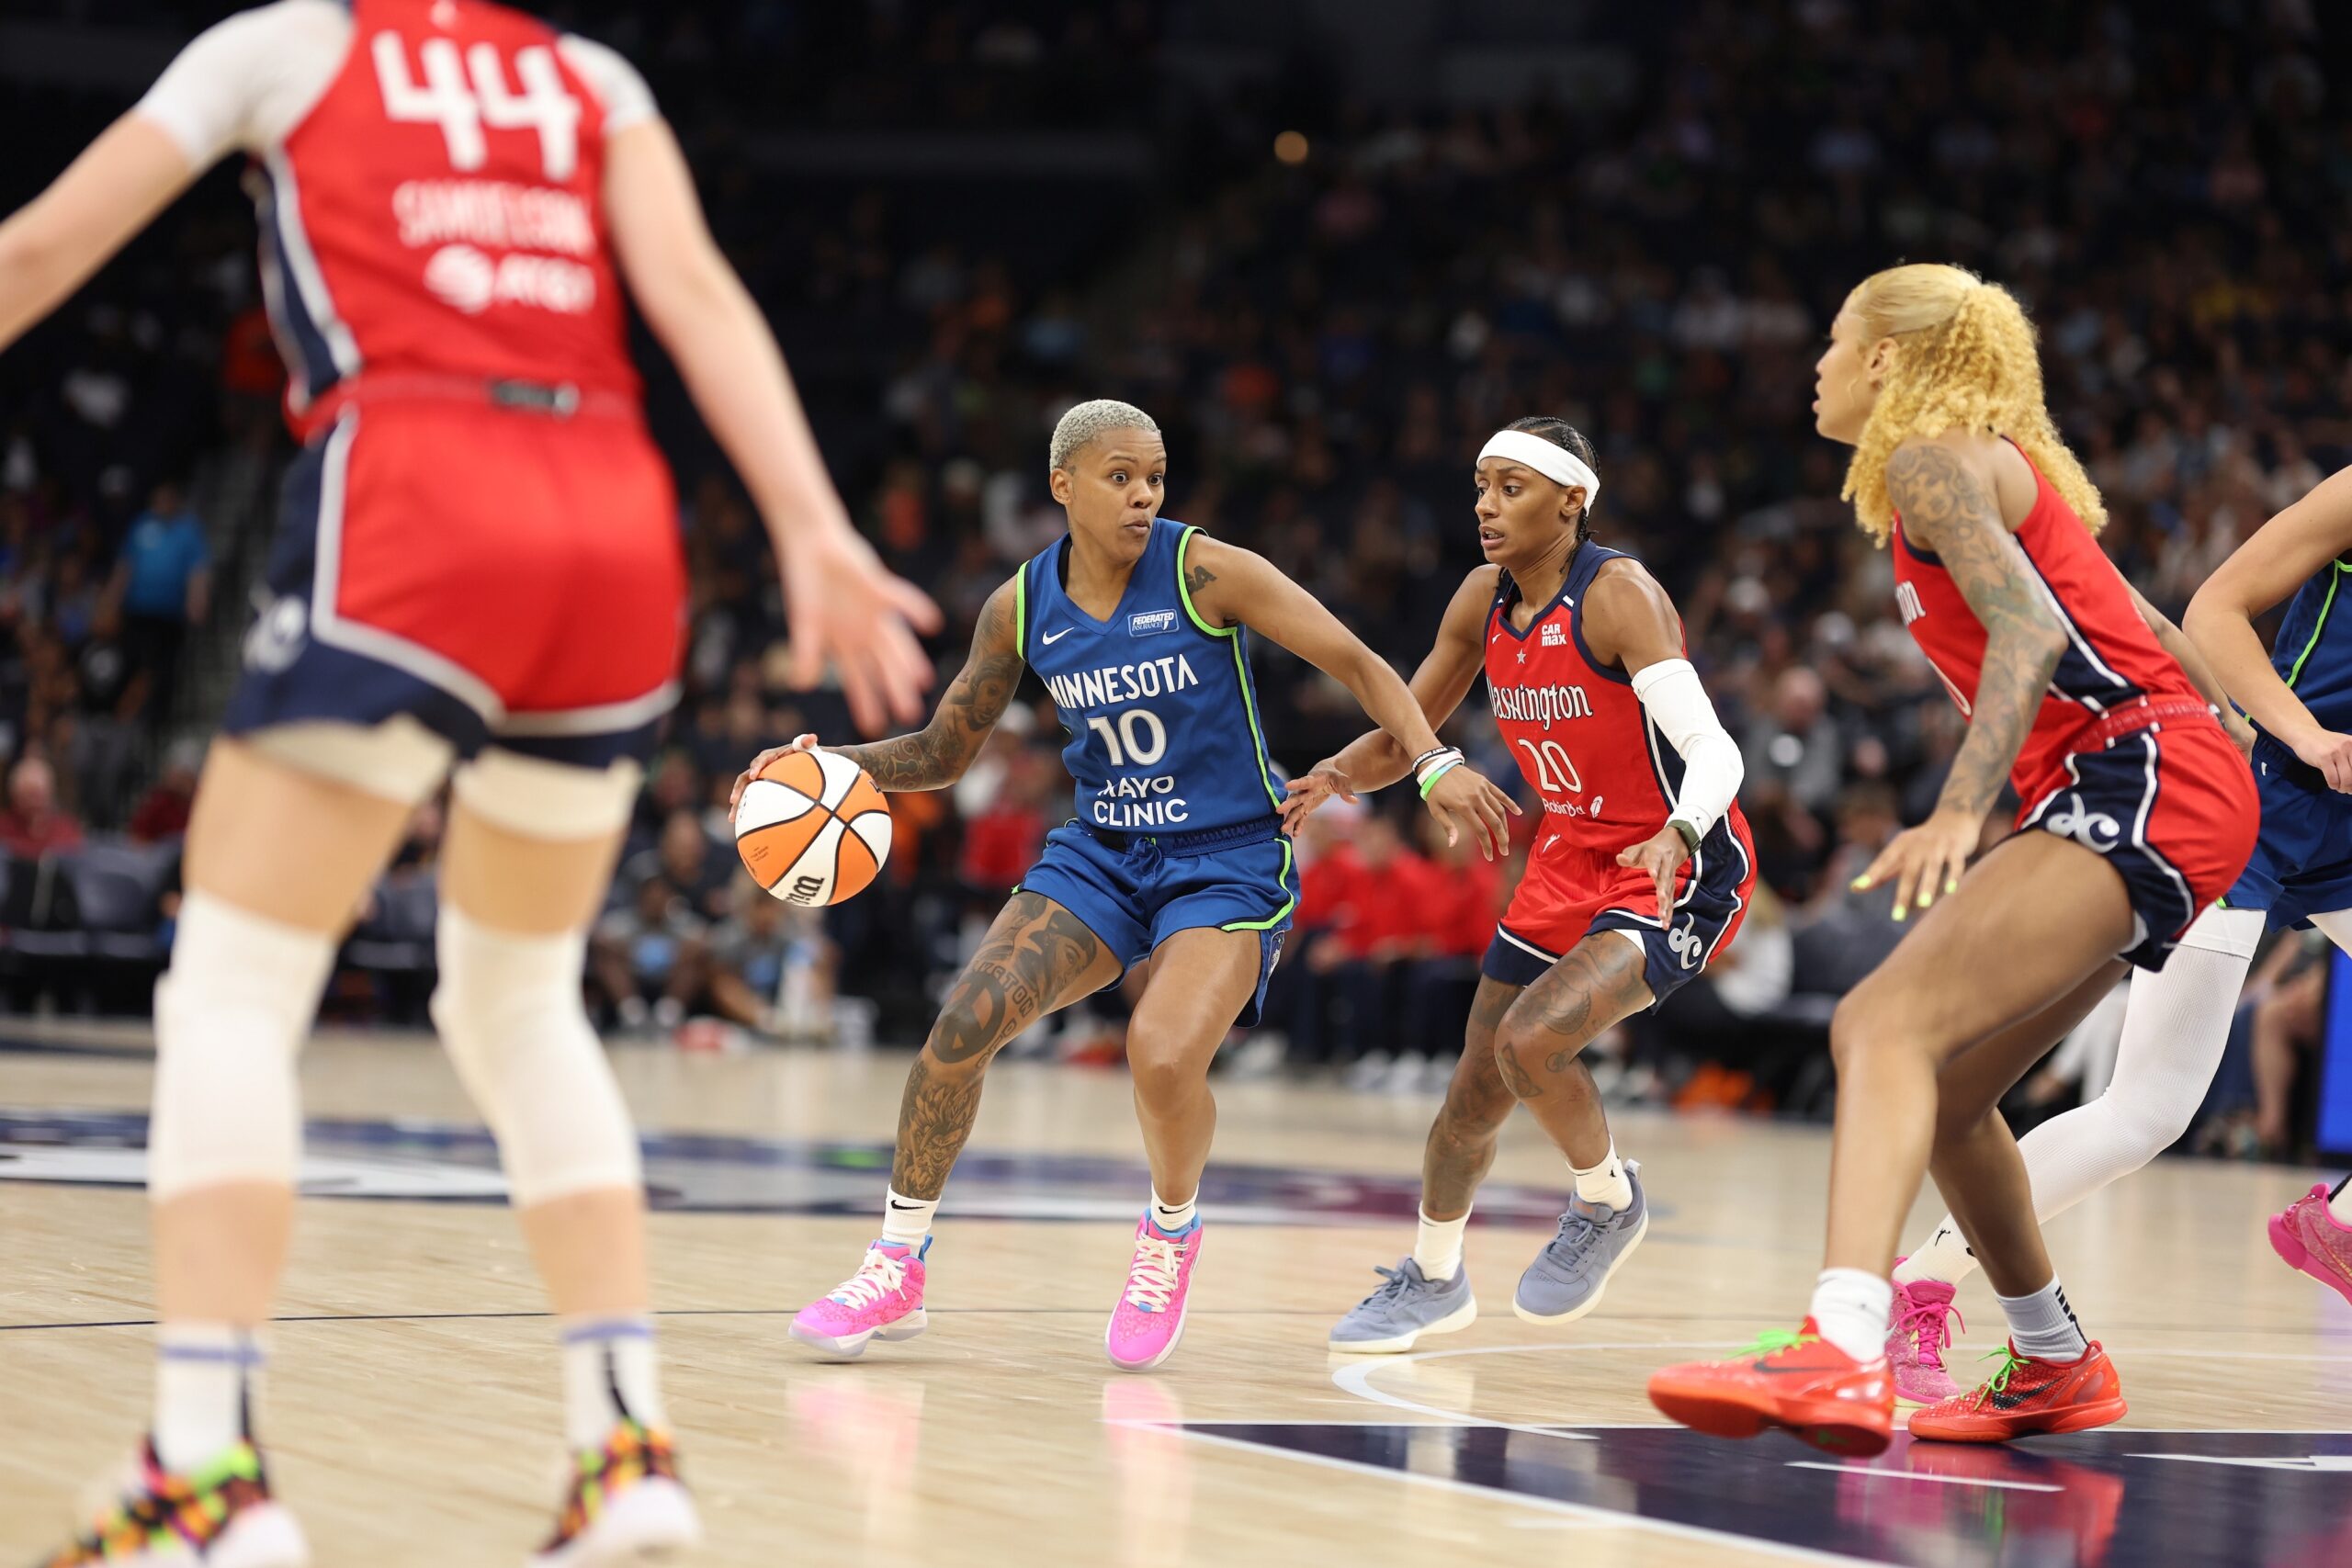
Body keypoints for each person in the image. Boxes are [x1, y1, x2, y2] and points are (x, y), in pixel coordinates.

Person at [0, 1, 941, 1561]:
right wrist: (809, 521)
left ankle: (201, 1465)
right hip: (613, 519)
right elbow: (695, 294)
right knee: (513, 995)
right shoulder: (591, 73)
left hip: (419, 490)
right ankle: (625, 1441)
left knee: (231, 988)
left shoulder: (285, 46)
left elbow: (35, 254)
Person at [734, 399, 1515, 1372]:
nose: (1143, 493)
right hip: (1103, 852)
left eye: (1153, 475)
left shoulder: (1204, 571)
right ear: (1062, 486)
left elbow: (1356, 661)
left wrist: (1433, 762)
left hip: (1226, 858)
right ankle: (896, 1263)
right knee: (960, 1028)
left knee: (1158, 1054)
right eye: (1118, 476)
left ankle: (1169, 1232)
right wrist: (822, 768)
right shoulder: (1019, 606)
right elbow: (941, 751)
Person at [1648, 265, 2258, 1454]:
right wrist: (2227, 761)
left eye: (1835, 339)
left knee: (1878, 1026)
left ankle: (1842, 1339)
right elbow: (2158, 632)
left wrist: (1961, 811)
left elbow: (2033, 634)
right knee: (1951, 1090)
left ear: (1887, 357)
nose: (1819, 362)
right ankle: (2054, 1359)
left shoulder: (1930, 455)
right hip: (2164, 782)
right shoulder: (1993, 472)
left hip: (2131, 778)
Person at [1883, 455, 2352, 1398]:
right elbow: (2216, 611)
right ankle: (1918, 1282)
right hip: (2256, 800)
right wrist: (2302, 735)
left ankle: (2336, 1227)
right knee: (2148, 1111)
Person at [1285, 417, 1758, 1355]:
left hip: (1669, 861)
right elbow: (1405, 732)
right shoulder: (1480, 598)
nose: (1486, 508)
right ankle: (1430, 1275)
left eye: (1510, 488)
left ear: (1570, 499)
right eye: (1479, 487)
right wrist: (1339, 771)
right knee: (1474, 1084)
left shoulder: (1618, 597)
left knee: (1532, 1039)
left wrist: (1680, 828)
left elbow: (1713, 747)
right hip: (1564, 858)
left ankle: (1606, 1201)